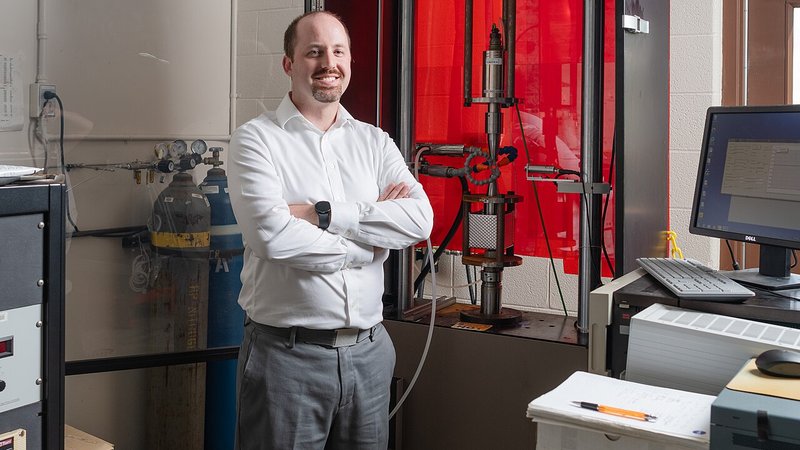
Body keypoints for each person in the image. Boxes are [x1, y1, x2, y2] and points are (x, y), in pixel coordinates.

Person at [227, 10, 434, 450]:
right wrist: (368, 247)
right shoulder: (255, 140)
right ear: (289, 63)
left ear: (350, 61)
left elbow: (419, 219)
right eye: (314, 52)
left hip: (371, 355)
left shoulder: (375, 142)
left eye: (338, 51)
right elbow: (271, 235)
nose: (328, 63)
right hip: (287, 360)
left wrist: (324, 215)